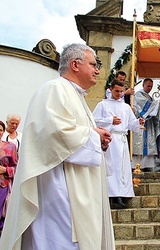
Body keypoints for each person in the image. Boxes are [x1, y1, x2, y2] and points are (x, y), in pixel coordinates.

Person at [0, 43, 115, 249]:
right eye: (93, 64)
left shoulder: (76, 95)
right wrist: (92, 136)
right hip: (59, 190)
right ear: (75, 65)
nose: (98, 70)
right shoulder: (54, 89)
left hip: (77, 187)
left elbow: (73, 134)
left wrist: (98, 140)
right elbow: (51, 133)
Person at [93, 79, 144, 209]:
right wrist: (110, 120)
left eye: (121, 91)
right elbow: (94, 121)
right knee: (113, 167)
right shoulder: (102, 105)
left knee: (122, 168)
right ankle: (113, 195)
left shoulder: (126, 107)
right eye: (117, 91)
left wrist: (139, 123)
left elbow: (131, 123)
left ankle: (123, 192)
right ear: (110, 90)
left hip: (121, 139)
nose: (119, 94)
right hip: (110, 139)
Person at [132, 78, 160, 171]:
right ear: (143, 85)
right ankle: (137, 165)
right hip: (141, 123)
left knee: (149, 145)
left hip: (149, 124)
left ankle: (148, 165)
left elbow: (154, 110)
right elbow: (145, 107)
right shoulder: (138, 95)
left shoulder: (150, 97)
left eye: (151, 86)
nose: (150, 88)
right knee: (140, 145)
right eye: (148, 86)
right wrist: (159, 102)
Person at [0, 120, 18, 234]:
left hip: (2, 186)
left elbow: (17, 169)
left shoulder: (10, 147)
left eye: (0, 130)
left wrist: (6, 170)